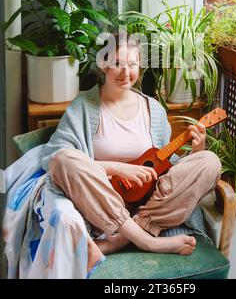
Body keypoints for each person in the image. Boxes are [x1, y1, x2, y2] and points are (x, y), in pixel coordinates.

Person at [3, 32, 221, 278]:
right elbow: (53, 156)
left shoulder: (155, 110)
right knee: (64, 160)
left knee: (209, 161)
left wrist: (197, 149)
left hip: (147, 206)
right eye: (118, 63)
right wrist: (118, 169)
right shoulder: (84, 107)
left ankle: (126, 237)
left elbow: (169, 171)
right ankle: (147, 241)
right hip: (100, 204)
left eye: (133, 64)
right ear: (104, 65)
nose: (126, 72)